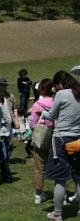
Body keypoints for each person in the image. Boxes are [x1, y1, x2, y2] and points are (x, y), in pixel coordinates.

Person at [41, 71, 80, 221]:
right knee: (79, 176)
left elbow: (51, 116)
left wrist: (44, 114)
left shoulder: (61, 94)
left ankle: (57, 213)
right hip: (77, 138)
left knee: (60, 178)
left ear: (59, 84)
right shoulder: (78, 92)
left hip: (61, 139)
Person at [30, 78, 54, 204]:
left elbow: (33, 123)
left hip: (41, 137)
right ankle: (60, 191)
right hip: (56, 136)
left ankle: (38, 195)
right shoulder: (57, 102)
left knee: (39, 167)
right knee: (59, 165)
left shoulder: (37, 105)